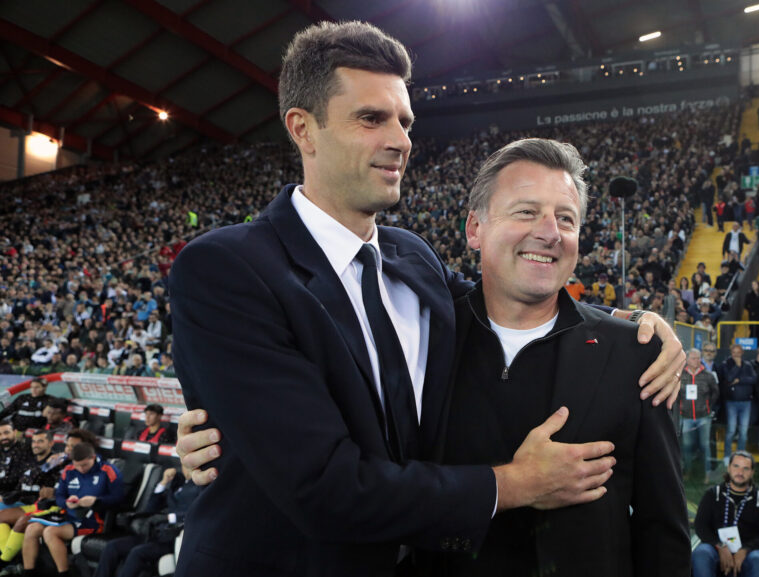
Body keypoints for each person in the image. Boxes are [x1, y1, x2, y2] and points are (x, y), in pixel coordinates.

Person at [168, 22, 684, 576]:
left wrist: (635, 330)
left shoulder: (412, 260)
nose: (401, 140)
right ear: (303, 129)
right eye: (371, 118)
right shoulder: (227, 267)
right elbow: (323, 486)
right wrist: (516, 483)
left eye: (405, 121)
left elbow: (513, 296)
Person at [426, 138, 689, 576]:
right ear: (475, 229)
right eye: (526, 211)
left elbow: (662, 529)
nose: (549, 232)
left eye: (565, 218)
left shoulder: (634, 355)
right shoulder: (424, 341)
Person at [22, 442, 124, 577]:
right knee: (31, 529)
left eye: (85, 465)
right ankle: (28, 573)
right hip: (69, 514)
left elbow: (118, 498)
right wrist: (66, 503)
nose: (81, 469)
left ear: (93, 457)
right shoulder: (69, 470)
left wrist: (97, 501)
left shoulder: (108, 470)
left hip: (93, 519)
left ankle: (64, 574)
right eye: (77, 465)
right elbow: (59, 495)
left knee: (50, 532)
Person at [94, 467, 200, 577]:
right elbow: (150, 508)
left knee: (137, 552)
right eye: (184, 466)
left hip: (173, 538)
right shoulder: (177, 483)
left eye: (189, 467)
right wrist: (164, 482)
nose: (186, 470)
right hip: (153, 533)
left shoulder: (200, 487)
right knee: (112, 547)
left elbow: (197, 514)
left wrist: (169, 517)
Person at [692, 452, 759, 577]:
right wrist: (720, 546)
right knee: (701, 553)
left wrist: (745, 550)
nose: (740, 472)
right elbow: (701, 526)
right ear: (729, 468)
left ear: (752, 472)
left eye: (745, 468)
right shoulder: (712, 494)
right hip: (716, 548)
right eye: (736, 466)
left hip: (750, 551)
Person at [681, 348, 719, 484]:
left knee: (705, 446)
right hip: (686, 417)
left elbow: (715, 393)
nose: (697, 360)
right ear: (687, 360)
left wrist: (708, 407)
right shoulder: (681, 375)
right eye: (694, 358)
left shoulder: (708, 375)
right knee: (686, 446)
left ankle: (707, 473)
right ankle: (688, 471)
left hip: (704, 417)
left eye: (698, 358)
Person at [718, 345, 757, 465]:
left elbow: (754, 379)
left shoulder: (748, 365)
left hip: (746, 402)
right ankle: (727, 456)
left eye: (738, 352)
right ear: (731, 352)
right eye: (734, 352)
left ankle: (741, 456)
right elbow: (729, 378)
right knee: (731, 430)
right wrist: (737, 366)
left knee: (743, 432)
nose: (736, 355)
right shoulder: (726, 364)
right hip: (732, 402)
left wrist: (739, 380)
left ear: (742, 352)